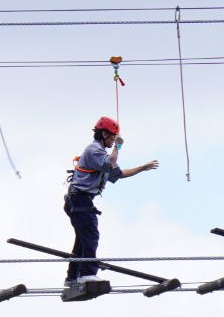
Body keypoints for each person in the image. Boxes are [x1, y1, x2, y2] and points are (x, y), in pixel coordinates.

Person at [64, 116, 157, 285]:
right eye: (113, 136)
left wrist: (143, 168)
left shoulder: (101, 158)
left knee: (83, 240)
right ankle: (86, 273)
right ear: (105, 134)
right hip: (79, 200)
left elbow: (119, 174)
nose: (114, 139)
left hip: (80, 200)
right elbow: (109, 164)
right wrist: (118, 147)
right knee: (91, 235)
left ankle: (72, 277)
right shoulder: (95, 151)